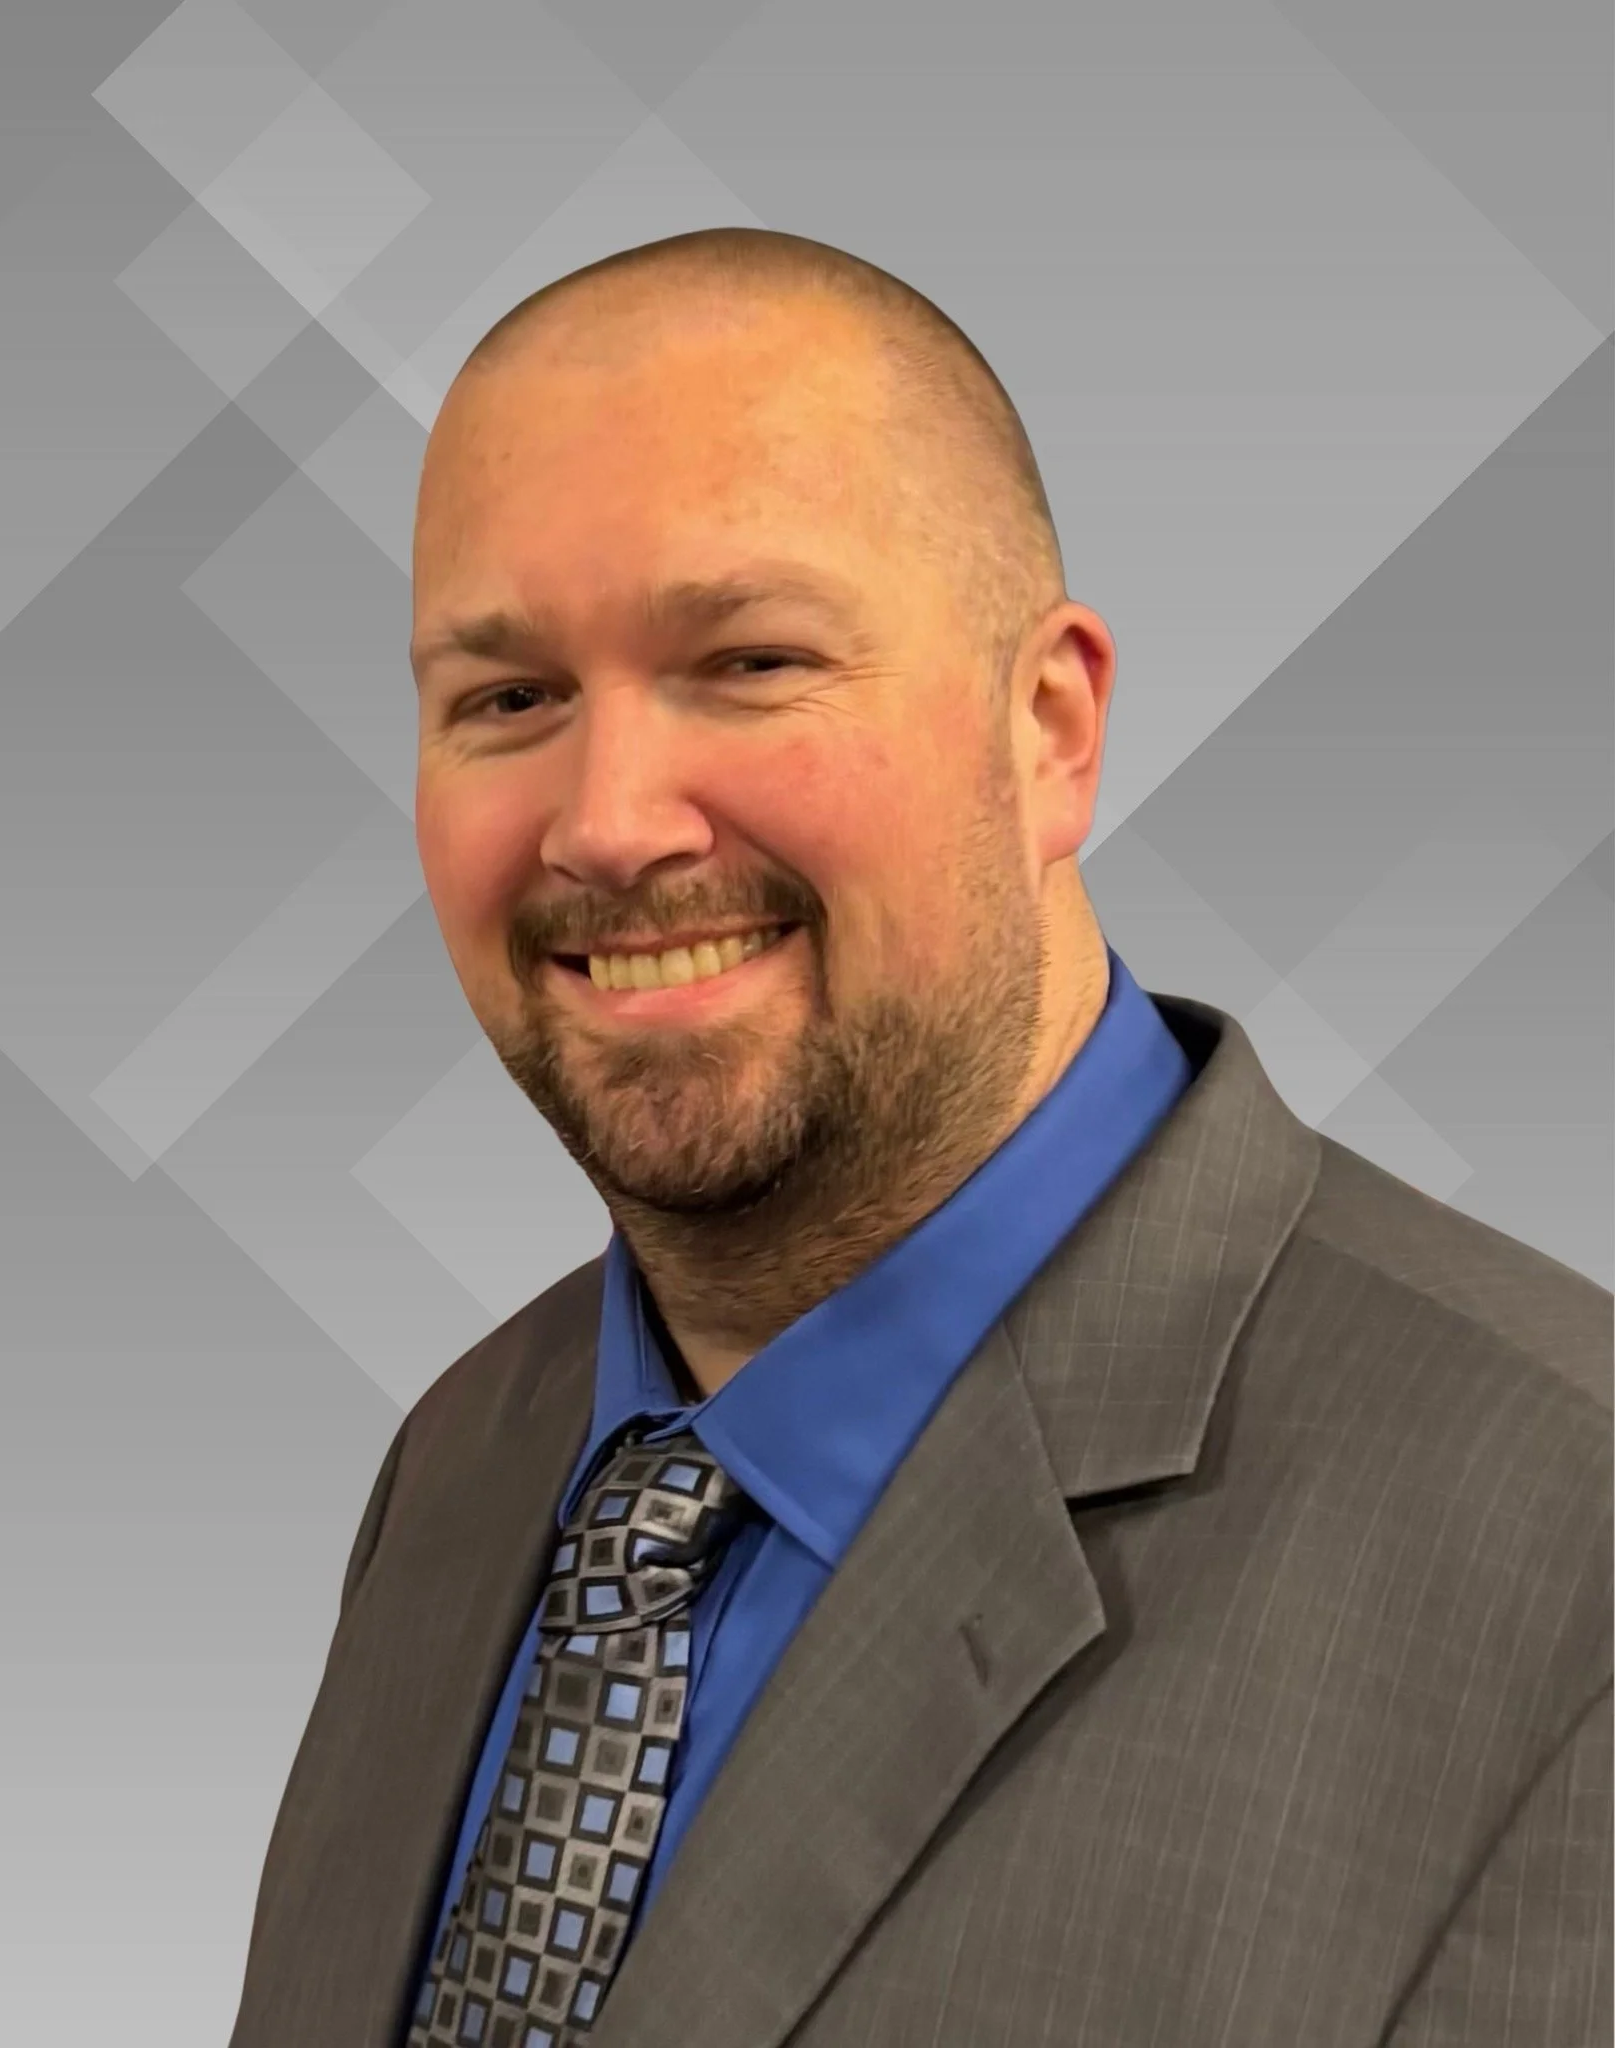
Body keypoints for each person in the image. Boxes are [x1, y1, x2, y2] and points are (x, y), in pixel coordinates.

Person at [229, 228, 1611, 2048]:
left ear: (1049, 729)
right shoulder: (464, 1466)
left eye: (748, 659)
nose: (610, 823)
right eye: (509, 700)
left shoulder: (1569, 1552)